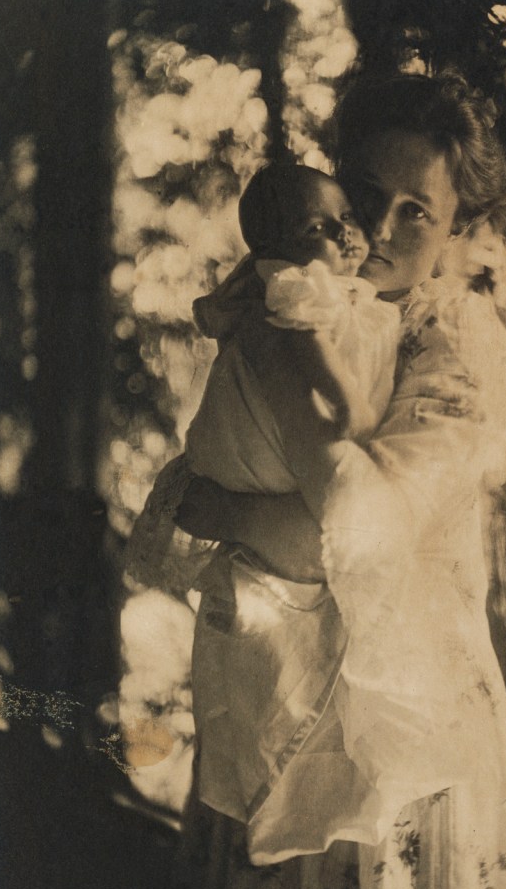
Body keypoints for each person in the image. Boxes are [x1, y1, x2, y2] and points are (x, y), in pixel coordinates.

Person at [178, 72, 506, 889]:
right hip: (278, 699)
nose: (380, 228)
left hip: (405, 738)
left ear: (455, 232)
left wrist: (224, 509)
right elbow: (222, 452)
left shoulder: (458, 344)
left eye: (418, 211)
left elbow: (344, 532)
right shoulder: (293, 301)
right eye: (368, 196)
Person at [124, 163, 400, 595]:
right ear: (275, 253)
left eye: (345, 217)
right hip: (251, 455)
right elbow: (307, 343)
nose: (343, 233)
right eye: (315, 229)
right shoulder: (300, 284)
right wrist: (346, 400)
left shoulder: (342, 290)